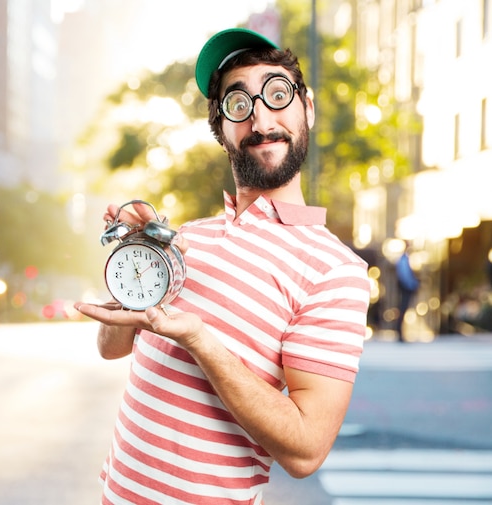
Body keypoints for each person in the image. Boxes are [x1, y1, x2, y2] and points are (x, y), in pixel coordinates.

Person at [75, 27, 371, 504]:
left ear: (307, 108)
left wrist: (198, 339)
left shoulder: (335, 271)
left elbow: (305, 451)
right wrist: (136, 260)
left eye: (278, 95)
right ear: (221, 128)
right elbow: (112, 348)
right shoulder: (187, 237)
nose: (261, 119)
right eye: (239, 104)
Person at [395, 247, 419, 342]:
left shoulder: (404, 259)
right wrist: (413, 285)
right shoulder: (404, 260)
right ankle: (399, 332)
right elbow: (405, 275)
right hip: (406, 288)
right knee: (402, 310)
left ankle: (400, 332)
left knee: (403, 310)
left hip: (406, 287)